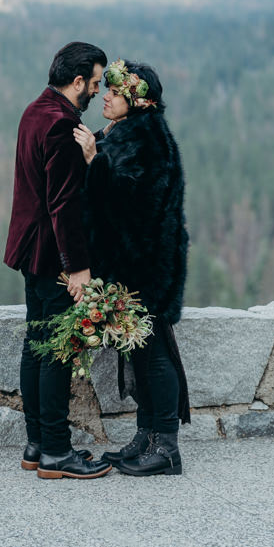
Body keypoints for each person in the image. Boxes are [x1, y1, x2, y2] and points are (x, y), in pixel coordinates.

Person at [73, 59, 190, 477]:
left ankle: (167, 447)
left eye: (115, 93)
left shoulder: (149, 138)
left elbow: (136, 203)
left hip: (148, 267)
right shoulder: (126, 131)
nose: (105, 95)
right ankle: (145, 437)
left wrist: (94, 160)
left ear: (137, 101)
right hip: (134, 265)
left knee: (155, 355)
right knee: (139, 354)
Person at [3, 41, 113, 480]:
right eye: (95, 83)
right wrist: (79, 269)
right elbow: (63, 204)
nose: (96, 91)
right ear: (78, 80)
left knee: (37, 346)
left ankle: (36, 444)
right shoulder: (62, 126)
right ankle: (55, 453)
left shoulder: (35, 111)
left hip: (29, 251)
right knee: (56, 352)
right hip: (54, 257)